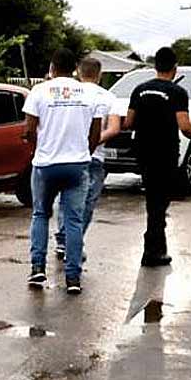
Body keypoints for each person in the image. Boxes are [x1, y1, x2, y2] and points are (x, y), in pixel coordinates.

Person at [22, 49, 102, 295]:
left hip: (45, 165)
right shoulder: (89, 94)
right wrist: (83, 153)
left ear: (52, 67)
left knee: (40, 214)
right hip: (77, 166)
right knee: (74, 221)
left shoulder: (39, 91)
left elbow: (29, 130)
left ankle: (37, 268)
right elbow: (95, 134)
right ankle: (73, 277)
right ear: (75, 69)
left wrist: (40, 150)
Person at [122, 47, 191, 267]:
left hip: (143, 151)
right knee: (159, 201)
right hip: (165, 152)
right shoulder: (177, 92)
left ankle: (155, 247)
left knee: (154, 199)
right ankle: (153, 250)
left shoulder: (139, 89)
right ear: (174, 67)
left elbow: (128, 122)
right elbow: (184, 125)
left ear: (155, 67)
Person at [54, 56, 126, 258]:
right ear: (100, 75)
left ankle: (63, 239)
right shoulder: (109, 98)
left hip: (67, 155)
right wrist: (91, 143)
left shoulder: (67, 94)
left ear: (78, 72)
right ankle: (73, 241)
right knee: (86, 202)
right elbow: (113, 129)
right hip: (94, 157)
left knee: (66, 198)